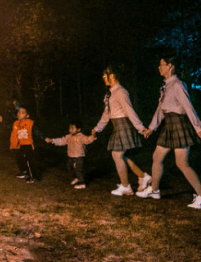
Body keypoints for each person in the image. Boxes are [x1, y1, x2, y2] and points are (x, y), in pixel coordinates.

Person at [137, 57, 201, 209]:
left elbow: (188, 107)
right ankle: (155, 190)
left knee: (182, 163)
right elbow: (160, 109)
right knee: (157, 157)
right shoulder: (166, 86)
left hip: (180, 125)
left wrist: (199, 128)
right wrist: (152, 128)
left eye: (161, 64)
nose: (159, 67)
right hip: (169, 126)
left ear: (170, 66)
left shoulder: (178, 85)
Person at [91, 65, 152, 196]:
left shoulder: (121, 92)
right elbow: (107, 114)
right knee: (120, 156)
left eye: (104, 75)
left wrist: (141, 129)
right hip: (117, 126)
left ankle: (126, 187)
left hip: (123, 125)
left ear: (112, 76)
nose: (103, 77)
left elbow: (130, 111)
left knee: (117, 155)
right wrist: (97, 128)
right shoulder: (110, 93)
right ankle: (143, 177)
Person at [45, 120, 96, 189]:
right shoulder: (68, 137)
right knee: (69, 167)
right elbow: (61, 141)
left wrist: (93, 135)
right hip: (71, 156)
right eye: (70, 128)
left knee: (78, 170)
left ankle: (82, 183)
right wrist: (52, 140)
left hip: (79, 157)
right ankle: (76, 178)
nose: (70, 130)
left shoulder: (81, 137)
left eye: (72, 128)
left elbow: (88, 140)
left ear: (79, 129)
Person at [10, 106, 46, 183]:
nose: (19, 114)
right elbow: (14, 134)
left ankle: (34, 176)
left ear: (27, 115)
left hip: (28, 144)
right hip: (20, 145)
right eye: (19, 112)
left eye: (22, 113)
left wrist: (43, 138)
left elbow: (37, 132)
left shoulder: (30, 123)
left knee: (29, 160)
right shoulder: (16, 123)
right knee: (19, 158)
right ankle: (24, 171)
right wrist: (14, 144)